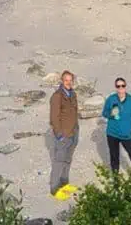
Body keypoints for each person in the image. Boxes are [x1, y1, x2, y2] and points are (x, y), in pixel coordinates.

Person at [102, 77, 131, 181]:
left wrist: (130, 129)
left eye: (122, 85)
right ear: (116, 87)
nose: (120, 88)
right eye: (118, 86)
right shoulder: (111, 99)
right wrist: (111, 114)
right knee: (114, 158)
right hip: (112, 134)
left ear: (125, 86)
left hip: (127, 135)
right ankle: (116, 180)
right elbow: (104, 113)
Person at [49, 70, 79, 200]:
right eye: (66, 80)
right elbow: (54, 117)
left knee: (67, 159)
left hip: (73, 133)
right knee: (58, 161)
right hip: (63, 134)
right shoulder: (57, 96)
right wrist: (59, 134)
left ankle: (64, 184)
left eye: (70, 80)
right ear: (62, 81)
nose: (69, 83)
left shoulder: (73, 94)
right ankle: (54, 189)